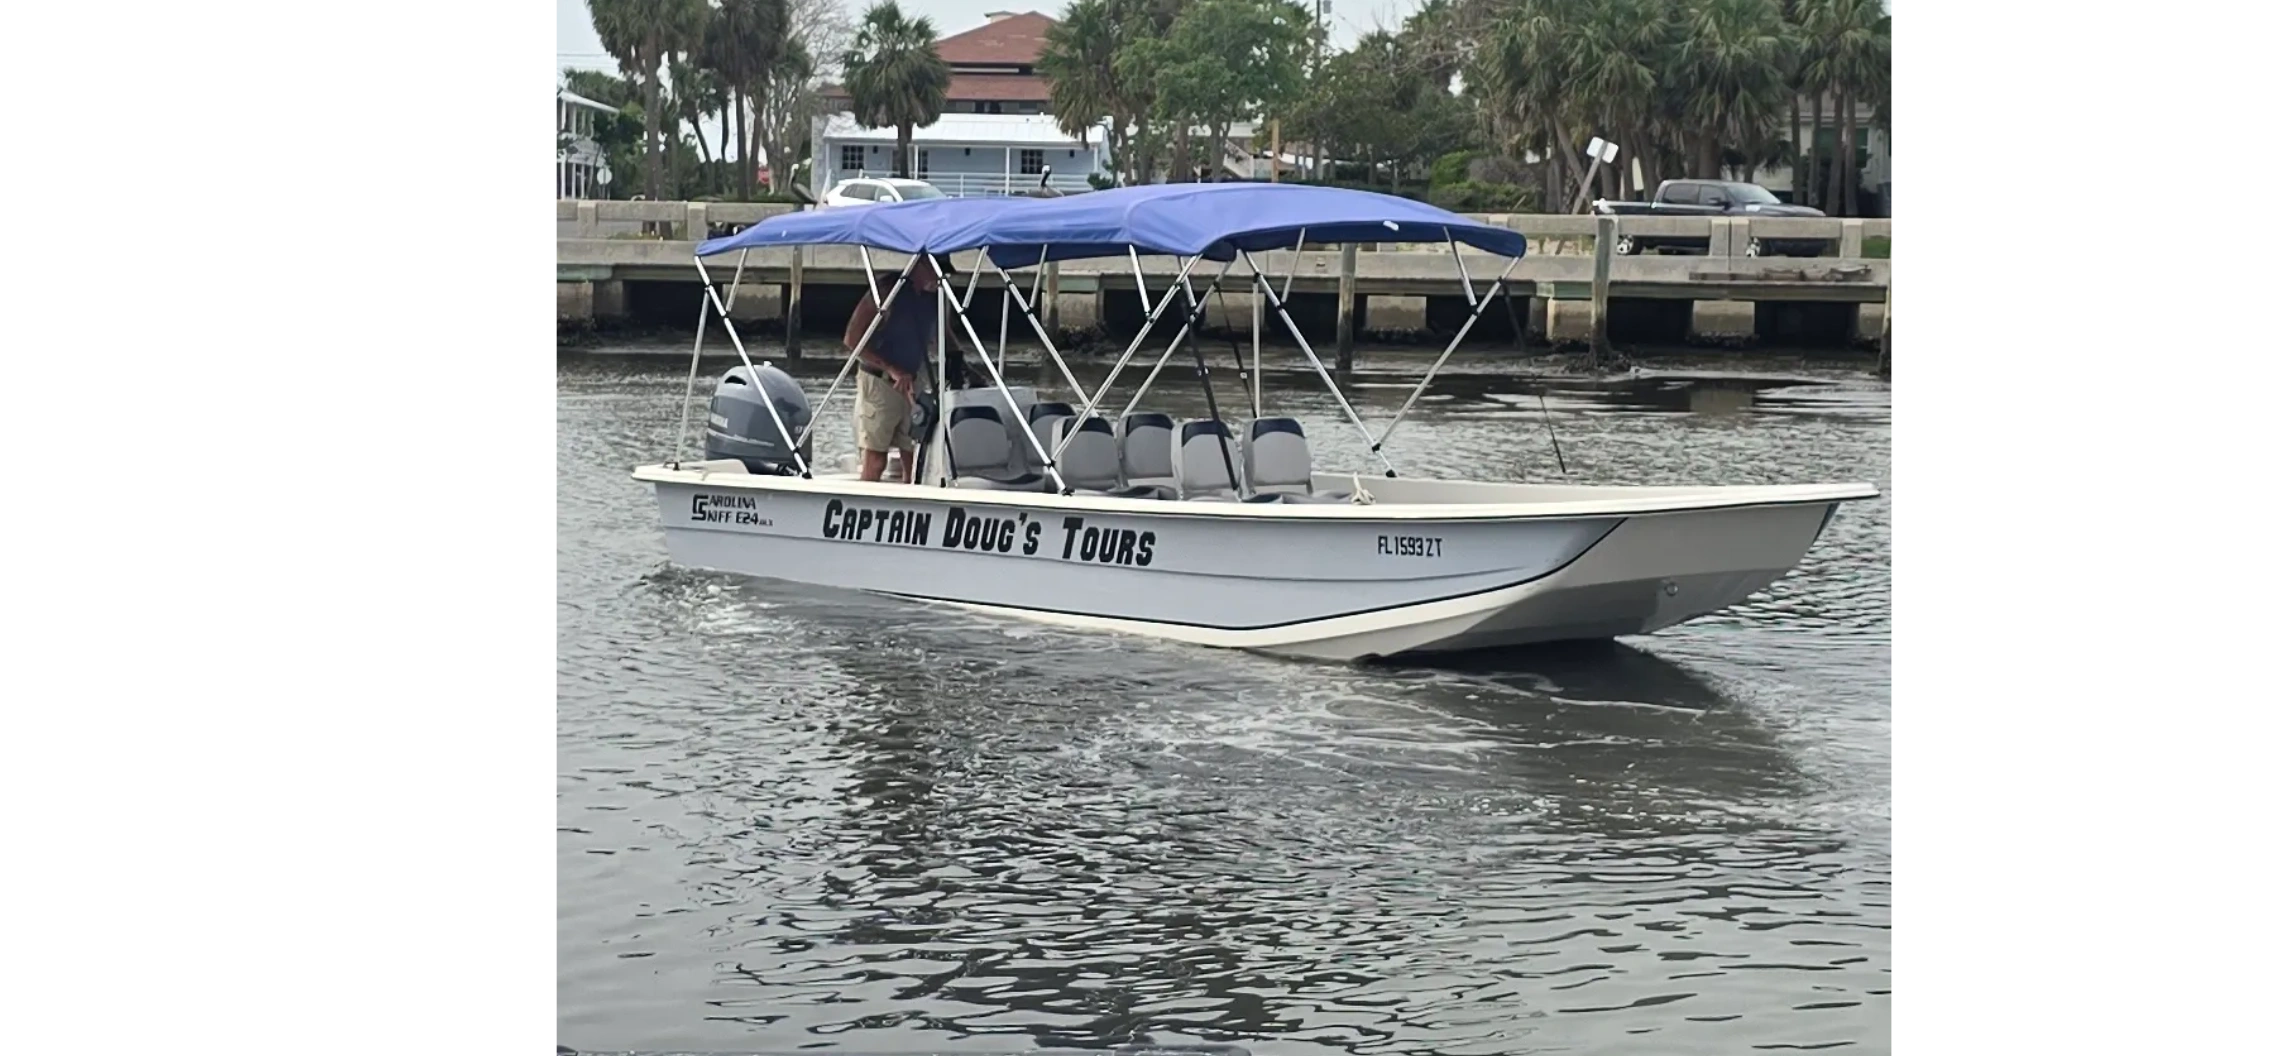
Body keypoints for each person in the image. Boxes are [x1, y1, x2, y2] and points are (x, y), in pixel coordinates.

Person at [845, 254, 961, 483]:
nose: (938, 278)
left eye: (943, 273)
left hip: (914, 381)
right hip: (880, 382)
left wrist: (960, 362)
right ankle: (867, 501)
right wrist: (891, 368)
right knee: (877, 458)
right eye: (934, 270)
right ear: (919, 265)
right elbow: (852, 340)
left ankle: (912, 504)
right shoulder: (887, 291)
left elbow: (944, 335)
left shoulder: (937, 298)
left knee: (915, 454)